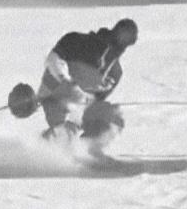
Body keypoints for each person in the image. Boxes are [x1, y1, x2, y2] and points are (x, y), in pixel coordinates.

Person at [35, 17, 138, 156]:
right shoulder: (77, 40)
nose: (122, 41)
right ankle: (38, 152)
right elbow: (53, 60)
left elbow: (94, 101)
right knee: (63, 132)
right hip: (56, 94)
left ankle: (88, 153)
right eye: (122, 34)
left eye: (128, 39)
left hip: (78, 107)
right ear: (114, 30)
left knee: (114, 118)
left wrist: (79, 115)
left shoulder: (115, 72)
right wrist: (66, 82)